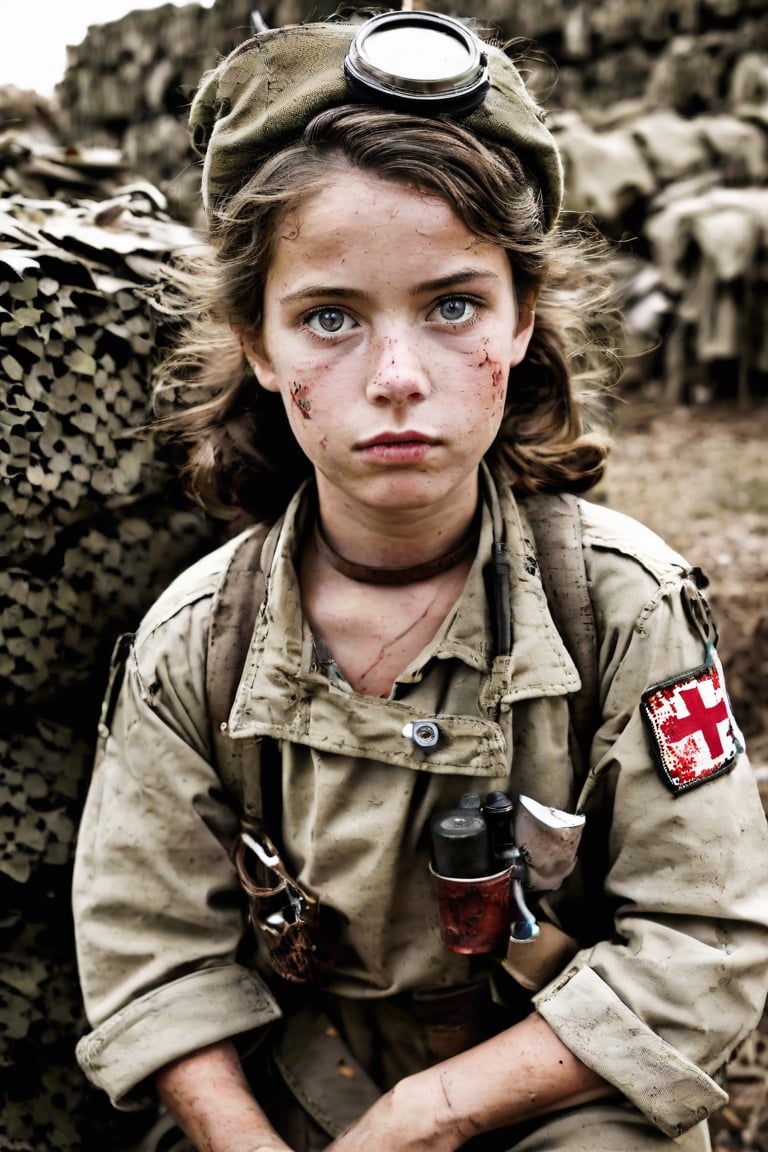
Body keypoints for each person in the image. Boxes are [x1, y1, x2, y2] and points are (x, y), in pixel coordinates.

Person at [72, 11, 768, 1152]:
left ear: (522, 317)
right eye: (330, 318)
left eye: (453, 307)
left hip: (557, 1084)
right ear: (258, 345)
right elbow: (152, 953)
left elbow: (706, 937)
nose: (396, 379)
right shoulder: (198, 642)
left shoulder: (622, 609)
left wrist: (430, 1115)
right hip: (294, 1094)